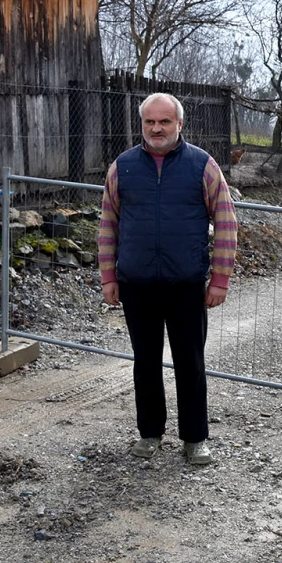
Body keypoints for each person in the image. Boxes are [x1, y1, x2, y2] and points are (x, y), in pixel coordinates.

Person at [97, 92, 238, 466]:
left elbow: (226, 222)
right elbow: (108, 224)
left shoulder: (203, 166)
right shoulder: (122, 168)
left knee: (189, 362)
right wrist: (108, 275)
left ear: (179, 124)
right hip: (137, 283)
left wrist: (220, 279)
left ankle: (195, 439)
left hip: (186, 284)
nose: (156, 128)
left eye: (164, 122)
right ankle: (149, 433)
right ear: (141, 124)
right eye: (149, 122)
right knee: (145, 362)